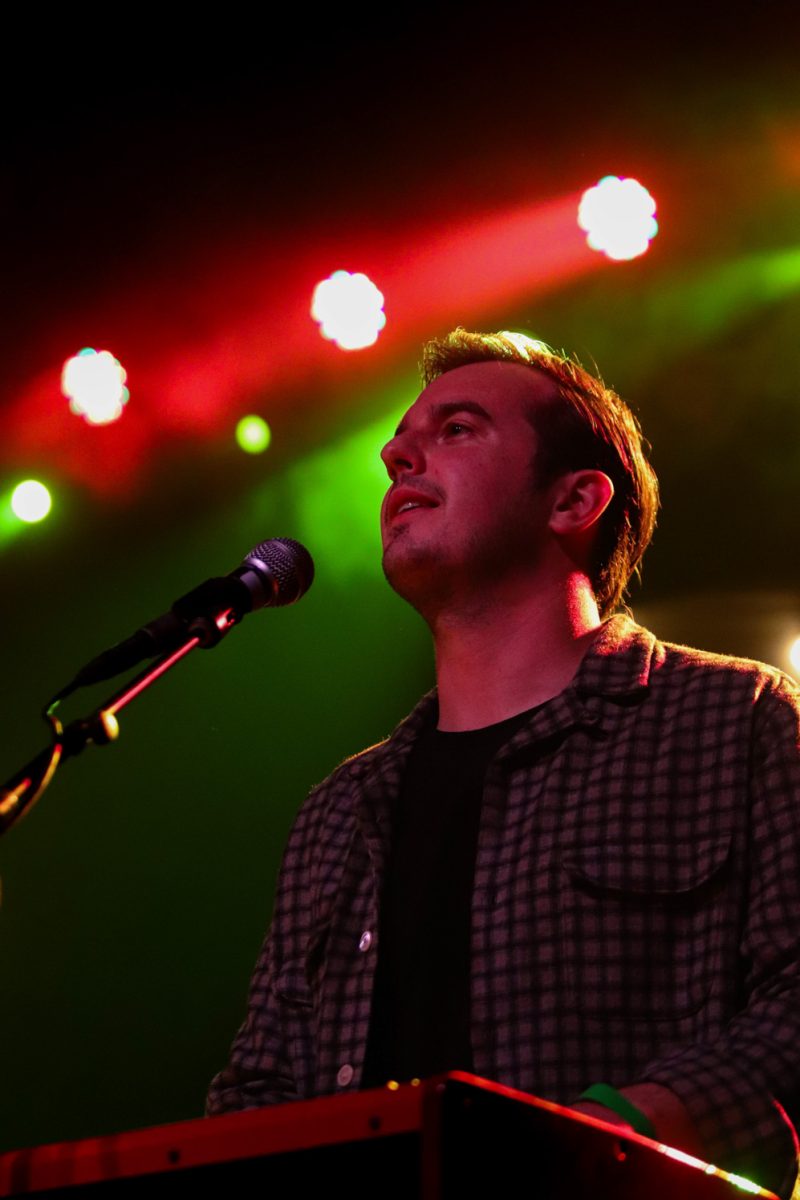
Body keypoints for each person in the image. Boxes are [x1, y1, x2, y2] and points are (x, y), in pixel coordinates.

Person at [207, 329, 800, 1197]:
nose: (396, 453)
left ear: (574, 500)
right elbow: (258, 1091)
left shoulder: (735, 720)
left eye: (457, 429)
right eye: (400, 443)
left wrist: (617, 1131)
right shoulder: (341, 808)